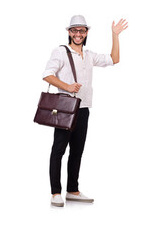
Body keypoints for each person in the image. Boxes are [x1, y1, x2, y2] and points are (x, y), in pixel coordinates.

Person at [42, 15, 128, 207]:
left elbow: (114, 59)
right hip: (65, 107)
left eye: (81, 30)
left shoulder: (88, 55)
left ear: (86, 32)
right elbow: (46, 74)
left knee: (77, 151)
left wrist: (115, 35)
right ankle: (56, 192)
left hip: (83, 108)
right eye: (74, 30)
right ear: (69, 33)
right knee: (58, 150)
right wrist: (67, 86)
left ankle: (72, 190)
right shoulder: (60, 52)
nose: (78, 34)